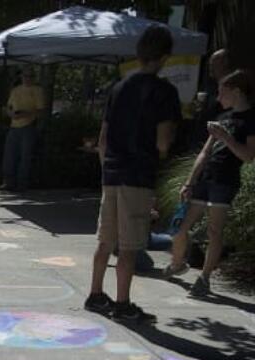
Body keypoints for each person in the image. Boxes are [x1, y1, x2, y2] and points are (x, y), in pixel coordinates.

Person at [85, 24, 179, 324]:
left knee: (105, 241)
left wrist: (107, 169)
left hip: (111, 172)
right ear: (164, 56)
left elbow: (102, 138)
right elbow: (162, 142)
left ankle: (96, 294)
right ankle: (123, 303)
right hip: (137, 175)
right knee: (129, 246)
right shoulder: (164, 91)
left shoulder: (118, 87)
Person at [166, 69, 255, 297]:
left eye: (222, 93)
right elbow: (204, 152)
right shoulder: (223, 118)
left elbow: (249, 156)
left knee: (214, 231)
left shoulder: (253, 119)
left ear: (237, 92)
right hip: (205, 178)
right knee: (180, 227)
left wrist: (226, 137)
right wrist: (189, 181)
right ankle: (178, 263)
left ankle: (204, 278)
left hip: (225, 180)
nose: (218, 98)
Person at [1, 71, 45, 192]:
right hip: (14, 126)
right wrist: (11, 114)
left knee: (25, 156)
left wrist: (27, 114)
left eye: (30, 76)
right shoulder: (15, 90)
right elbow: (8, 107)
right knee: (9, 154)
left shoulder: (37, 90)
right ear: (21, 77)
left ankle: (22, 184)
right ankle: (8, 182)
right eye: (25, 76)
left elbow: (40, 111)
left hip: (29, 126)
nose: (28, 78)